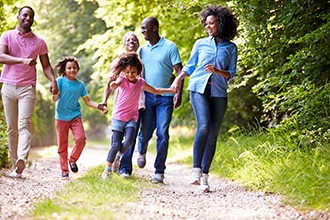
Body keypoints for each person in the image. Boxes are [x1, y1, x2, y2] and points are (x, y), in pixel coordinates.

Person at [171, 5, 239, 192]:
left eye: (211, 23)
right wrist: (178, 79)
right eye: (206, 23)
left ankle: (205, 177)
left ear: (221, 24)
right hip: (198, 89)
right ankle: (196, 170)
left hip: (219, 93)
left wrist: (217, 71)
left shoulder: (231, 48)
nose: (207, 27)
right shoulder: (200, 44)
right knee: (204, 126)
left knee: (213, 134)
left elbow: (231, 74)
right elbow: (191, 66)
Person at [0, 6, 58, 178]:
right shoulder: (7, 36)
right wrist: (22, 60)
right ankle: (15, 165)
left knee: (24, 124)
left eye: (31, 16)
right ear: (18, 16)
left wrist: (53, 80)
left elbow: (46, 65)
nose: (28, 18)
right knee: (12, 128)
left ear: (33, 19)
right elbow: (1, 56)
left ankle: (22, 160)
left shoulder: (39, 42)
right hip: (8, 87)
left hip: (27, 88)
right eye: (25, 15)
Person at [102, 53, 175, 179]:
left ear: (138, 72)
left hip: (131, 117)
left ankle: (118, 156)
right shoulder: (123, 80)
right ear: (124, 72)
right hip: (119, 117)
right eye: (128, 71)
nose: (131, 74)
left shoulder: (140, 82)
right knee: (115, 144)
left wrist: (170, 90)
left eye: (134, 72)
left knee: (129, 140)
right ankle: (107, 170)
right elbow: (114, 84)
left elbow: (155, 90)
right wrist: (113, 84)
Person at [137, 17, 184, 184]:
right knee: (146, 131)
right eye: (141, 28)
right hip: (148, 96)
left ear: (154, 28)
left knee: (162, 133)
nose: (142, 31)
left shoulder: (170, 47)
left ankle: (159, 172)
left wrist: (179, 93)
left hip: (166, 97)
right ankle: (141, 151)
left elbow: (179, 71)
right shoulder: (142, 50)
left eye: (145, 28)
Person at [53, 56, 108, 179]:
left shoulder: (80, 85)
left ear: (78, 69)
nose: (72, 70)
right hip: (61, 117)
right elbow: (55, 99)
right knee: (62, 145)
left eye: (74, 68)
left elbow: (88, 101)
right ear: (65, 69)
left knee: (81, 139)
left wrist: (100, 106)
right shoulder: (59, 81)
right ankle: (64, 171)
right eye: (69, 68)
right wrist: (55, 92)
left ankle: (72, 160)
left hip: (75, 116)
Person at [101, 32, 142, 178]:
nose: (131, 42)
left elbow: (146, 85)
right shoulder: (117, 62)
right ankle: (112, 167)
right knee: (117, 141)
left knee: (131, 138)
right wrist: (104, 101)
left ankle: (124, 168)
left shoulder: (141, 62)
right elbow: (110, 83)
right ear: (124, 43)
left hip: (138, 106)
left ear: (138, 43)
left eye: (134, 40)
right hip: (121, 106)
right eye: (128, 40)